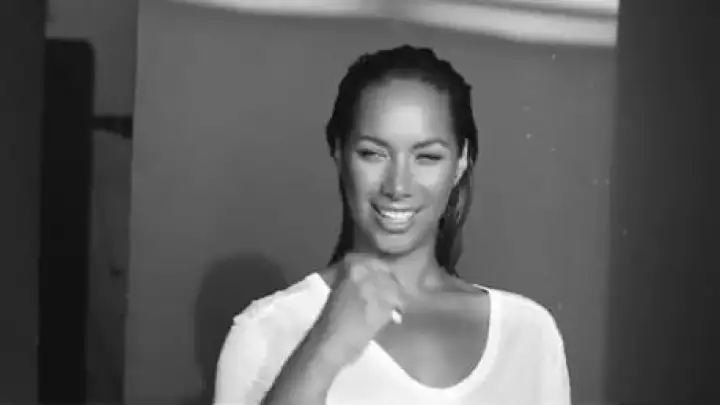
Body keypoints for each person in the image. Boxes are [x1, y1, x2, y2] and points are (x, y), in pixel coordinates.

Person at [213, 45, 571, 405]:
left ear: (461, 161)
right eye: (373, 153)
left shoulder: (528, 334)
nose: (398, 186)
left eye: (427, 157)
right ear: (338, 151)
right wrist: (324, 348)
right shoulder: (265, 332)